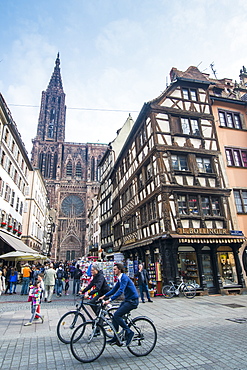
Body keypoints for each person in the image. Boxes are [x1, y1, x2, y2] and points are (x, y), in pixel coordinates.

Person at [100, 263, 139, 346]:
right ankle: (116, 337)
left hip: (132, 301)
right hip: (128, 300)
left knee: (117, 315)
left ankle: (129, 332)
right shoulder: (120, 278)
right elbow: (114, 289)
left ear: (119, 270)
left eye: (115, 269)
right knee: (115, 317)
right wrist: (104, 296)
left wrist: (109, 300)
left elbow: (120, 291)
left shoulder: (124, 278)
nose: (113, 271)